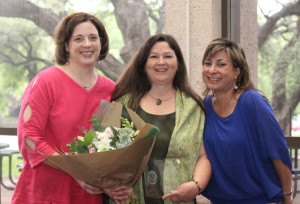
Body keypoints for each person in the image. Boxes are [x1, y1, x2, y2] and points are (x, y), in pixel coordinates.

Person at [12, 12, 128, 204]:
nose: (87, 44)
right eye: (78, 39)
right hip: (44, 194)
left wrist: (108, 183)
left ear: (102, 42)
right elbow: (29, 140)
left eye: (93, 38)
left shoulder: (111, 90)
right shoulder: (45, 82)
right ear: (66, 45)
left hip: (89, 196)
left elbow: (110, 150)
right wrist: (76, 171)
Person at [112, 34, 211, 204]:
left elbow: (204, 156)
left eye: (167, 56)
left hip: (178, 199)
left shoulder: (193, 107)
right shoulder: (124, 104)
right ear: (144, 64)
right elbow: (107, 156)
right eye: (154, 57)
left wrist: (196, 186)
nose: (161, 62)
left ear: (178, 63)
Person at [200, 38, 293, 204]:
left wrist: (287, 197)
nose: (212, 70)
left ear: (237, 72)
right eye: (208, 63)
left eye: (221, 64)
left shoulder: (252, 101)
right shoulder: (205, 106)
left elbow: (278, 153)